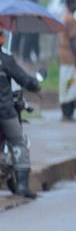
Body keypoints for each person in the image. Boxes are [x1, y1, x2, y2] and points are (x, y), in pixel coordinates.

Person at [0, 31, 41, 197]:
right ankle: (23, 185)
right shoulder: (5, 59)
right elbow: (24, 79)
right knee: (18, 141)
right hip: (4, 110)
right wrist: (35, 86)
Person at [58, 0, 76, 121]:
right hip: (70, 58)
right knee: (70, 84)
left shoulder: (66, 18)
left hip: (66, 58)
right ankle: (68, 113)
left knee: (67, 84)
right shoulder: (70, 19)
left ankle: (67, 113)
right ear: (72, 4)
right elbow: (73, 40)